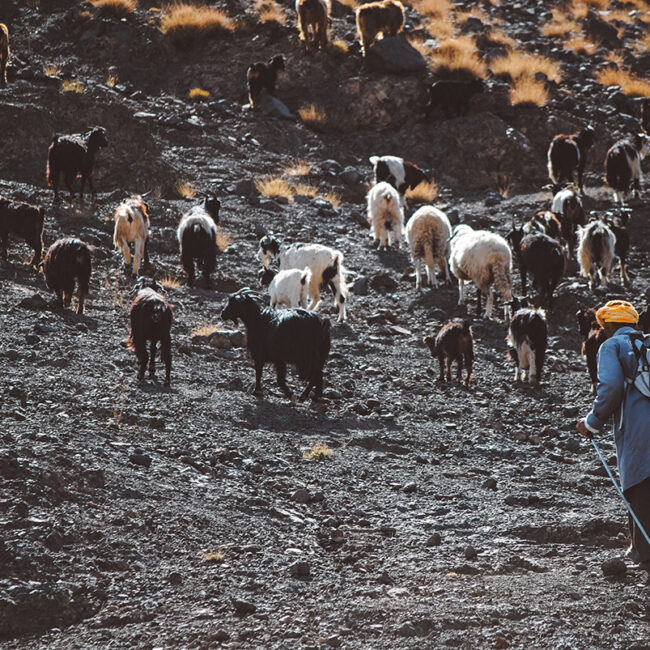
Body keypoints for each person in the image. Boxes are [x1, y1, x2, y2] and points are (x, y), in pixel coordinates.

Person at [576, 300, 650, 571]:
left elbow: (610, 389)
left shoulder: (612, 346)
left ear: (608, 325)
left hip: (637, 429)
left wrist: (591, 423)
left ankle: (644, 556)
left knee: (639, 485)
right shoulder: (647, 345)